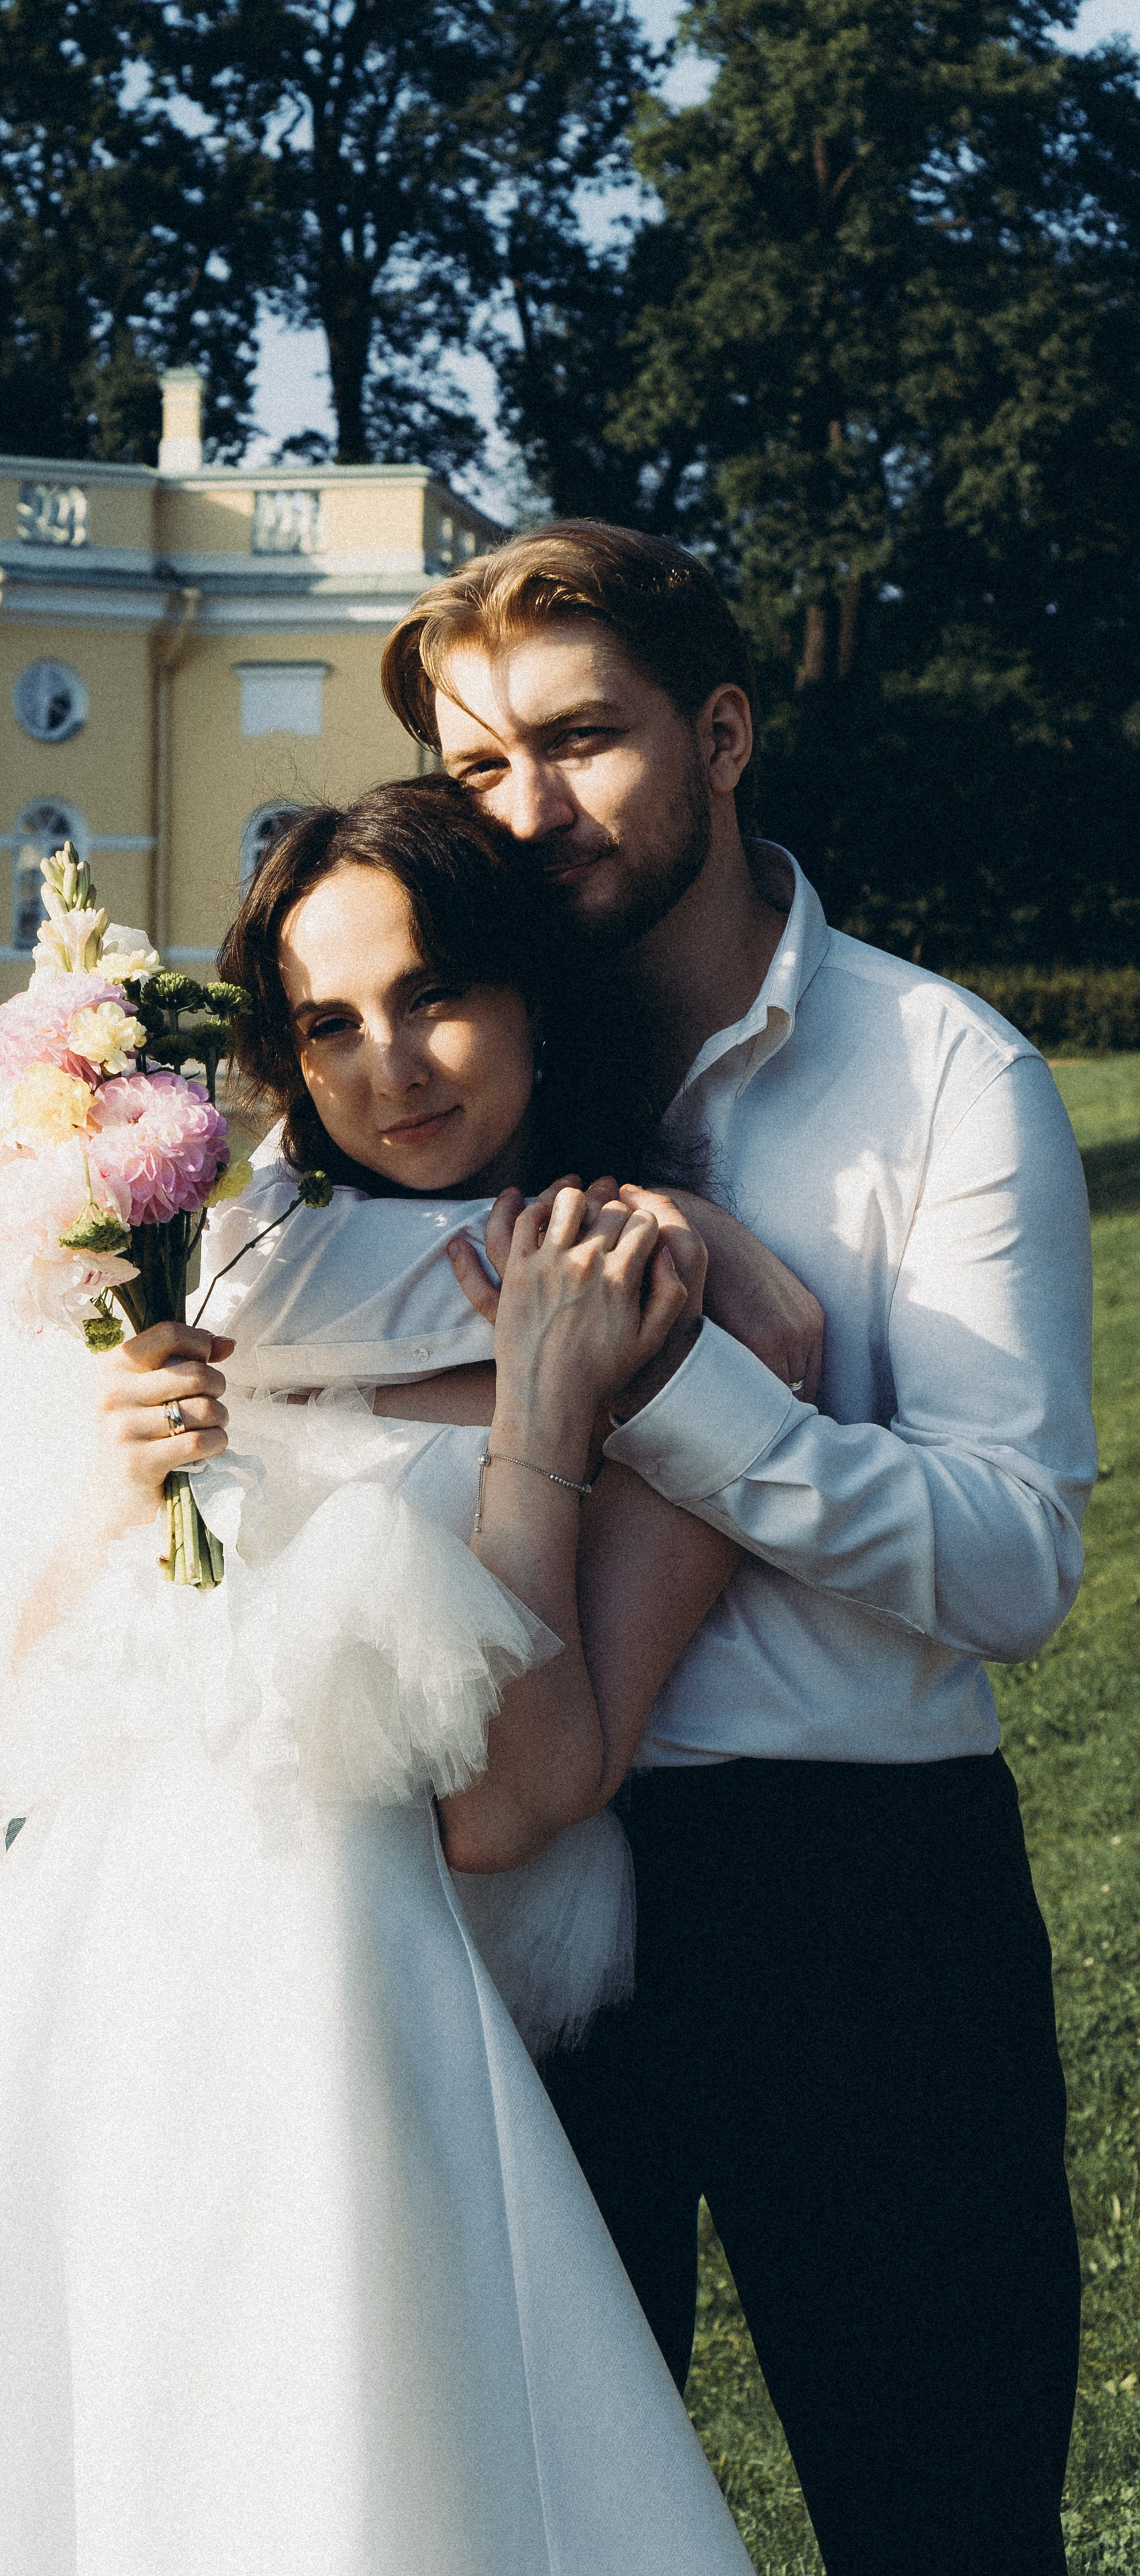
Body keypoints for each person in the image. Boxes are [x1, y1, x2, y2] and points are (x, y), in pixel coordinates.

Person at [0, 782, 764, 2575]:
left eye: (435, 995)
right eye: (328, 1024)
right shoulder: (219, 1275)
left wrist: (543, 1427)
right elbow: (22, 1721)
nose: (392, 1063)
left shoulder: (643, 1316)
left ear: (538, 1003)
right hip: (81, 2001)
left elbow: (509, 1807)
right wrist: (116, 1488)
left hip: (349, 2035)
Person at [272, 521, 1094, 2576]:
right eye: (478, 771)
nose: (528, 811)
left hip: (856, 1893)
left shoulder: (942, 1075)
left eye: (583, 741)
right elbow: (286, 1385)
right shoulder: (446, 1075)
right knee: (533, 2523)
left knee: (940, 2518)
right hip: (517, 1902)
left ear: (721, 732)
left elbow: (1014, 1570)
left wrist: (684, 1393)